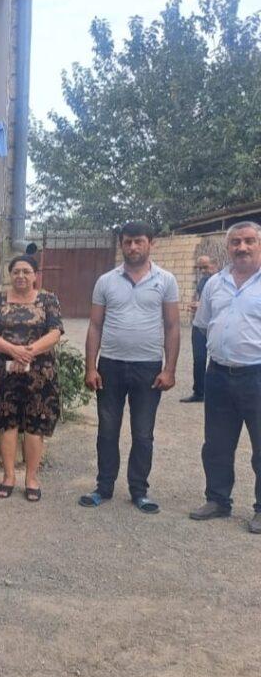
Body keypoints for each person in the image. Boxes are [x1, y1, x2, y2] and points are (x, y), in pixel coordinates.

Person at [79, 222, 180, 513]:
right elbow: (95, 325)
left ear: (151, 243)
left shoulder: (166, 280)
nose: (133, 247)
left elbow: (172, 326)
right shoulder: (106, 281)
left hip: (148, 367)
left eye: (138, 241)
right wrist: (91, 367)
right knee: (107, 431)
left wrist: (170, 369)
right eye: (127, 242)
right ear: (121, 244)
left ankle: (139, 491)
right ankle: (103, 488)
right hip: (110, 366)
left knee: (143, 433)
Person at [189, 221, 261, 534]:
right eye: (236, 242)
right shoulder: (215, 283)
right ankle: (217, 499)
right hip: (218, 374)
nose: (242, 247)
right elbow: (204, 323)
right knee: (216, 444)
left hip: (257, 375)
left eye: (249, 241)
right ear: (228, 247)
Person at [0, 254, 63, 502]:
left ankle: (31, 478)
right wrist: (13, 350)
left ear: (35, 275)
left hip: (39, 373)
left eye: (26, 271)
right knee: (7, 424)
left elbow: (55, 332)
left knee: (35, 425)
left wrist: (28, 352)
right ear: (10, 274)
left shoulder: (48, 299)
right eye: (16, 271)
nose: (21, 276)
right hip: (3, 373)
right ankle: (8, 477)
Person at [181, 254, 219, 403]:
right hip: (199, 325)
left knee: (217, 360)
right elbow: (197, 297)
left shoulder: (222, 282)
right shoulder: (203, 280)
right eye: (200, 268)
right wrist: (194, 304)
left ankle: (216, 392)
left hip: (214, 326)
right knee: (199, 359)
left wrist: (201, 305)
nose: (203, 270)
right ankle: (199, 392)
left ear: (215, 265)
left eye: (205, 267)